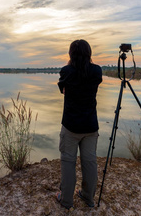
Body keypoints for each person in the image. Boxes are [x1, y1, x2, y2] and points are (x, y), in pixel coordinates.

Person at [56, 39, 103, 210]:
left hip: (70, 126)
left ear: (71, 54)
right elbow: (94, 81)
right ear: (89, 53)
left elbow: (63, 89)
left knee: (68, 162)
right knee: (89, 162)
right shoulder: (96, 71)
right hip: (90, 126)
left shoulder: (66, 71)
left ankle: (66, 200)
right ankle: (88, 197)